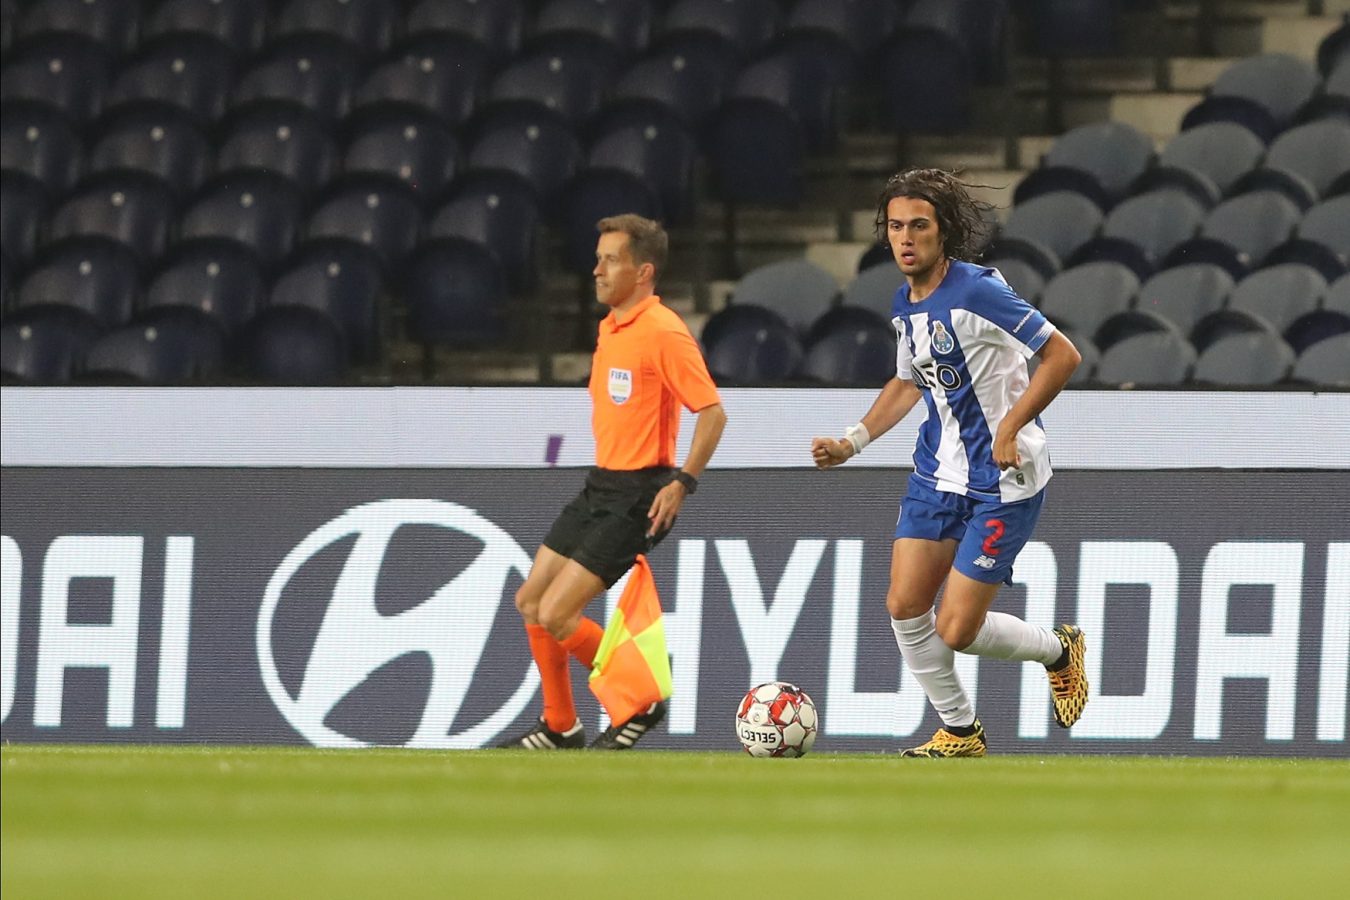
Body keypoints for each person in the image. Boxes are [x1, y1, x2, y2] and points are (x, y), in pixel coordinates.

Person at [811, 168, 1088, 757]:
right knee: (904, 605)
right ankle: (961, 731)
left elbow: (1062, 356)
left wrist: (1010, 426)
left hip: (1004, 480)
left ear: (943, 232)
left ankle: (1058, 649)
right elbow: (908, 381)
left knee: (956, 630)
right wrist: (852, 442)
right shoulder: (904, 302)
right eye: (895, 227)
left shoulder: (978, 292)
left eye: (919, 226)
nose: (905, 238)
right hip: (937, 474)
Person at [499, 214, 726, 750]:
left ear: (643, 272)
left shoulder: (663, 331)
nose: (597, 270)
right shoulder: (610, 326)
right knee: (531, 601)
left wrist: (682, 482)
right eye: (598, 259)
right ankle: (561, 726)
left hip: (639, 492)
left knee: (558, 613)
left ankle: (641, 698)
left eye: (610, 260)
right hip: (601, 483)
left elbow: (712, 413)